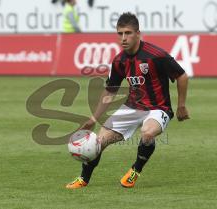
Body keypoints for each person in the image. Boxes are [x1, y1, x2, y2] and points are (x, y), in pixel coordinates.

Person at [66, 12, 189, 189]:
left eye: (128, 33)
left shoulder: (156, 55)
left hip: (158, 107)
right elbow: (110, 90)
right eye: (120, 33)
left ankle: (135, 170)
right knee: (98, 142)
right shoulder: (119, 61)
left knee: (147, 133)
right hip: (132, 107)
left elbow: (182, 76)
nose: (123, 38)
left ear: (138, 33)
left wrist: (181, 106)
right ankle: (83, 179)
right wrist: (94, 118)